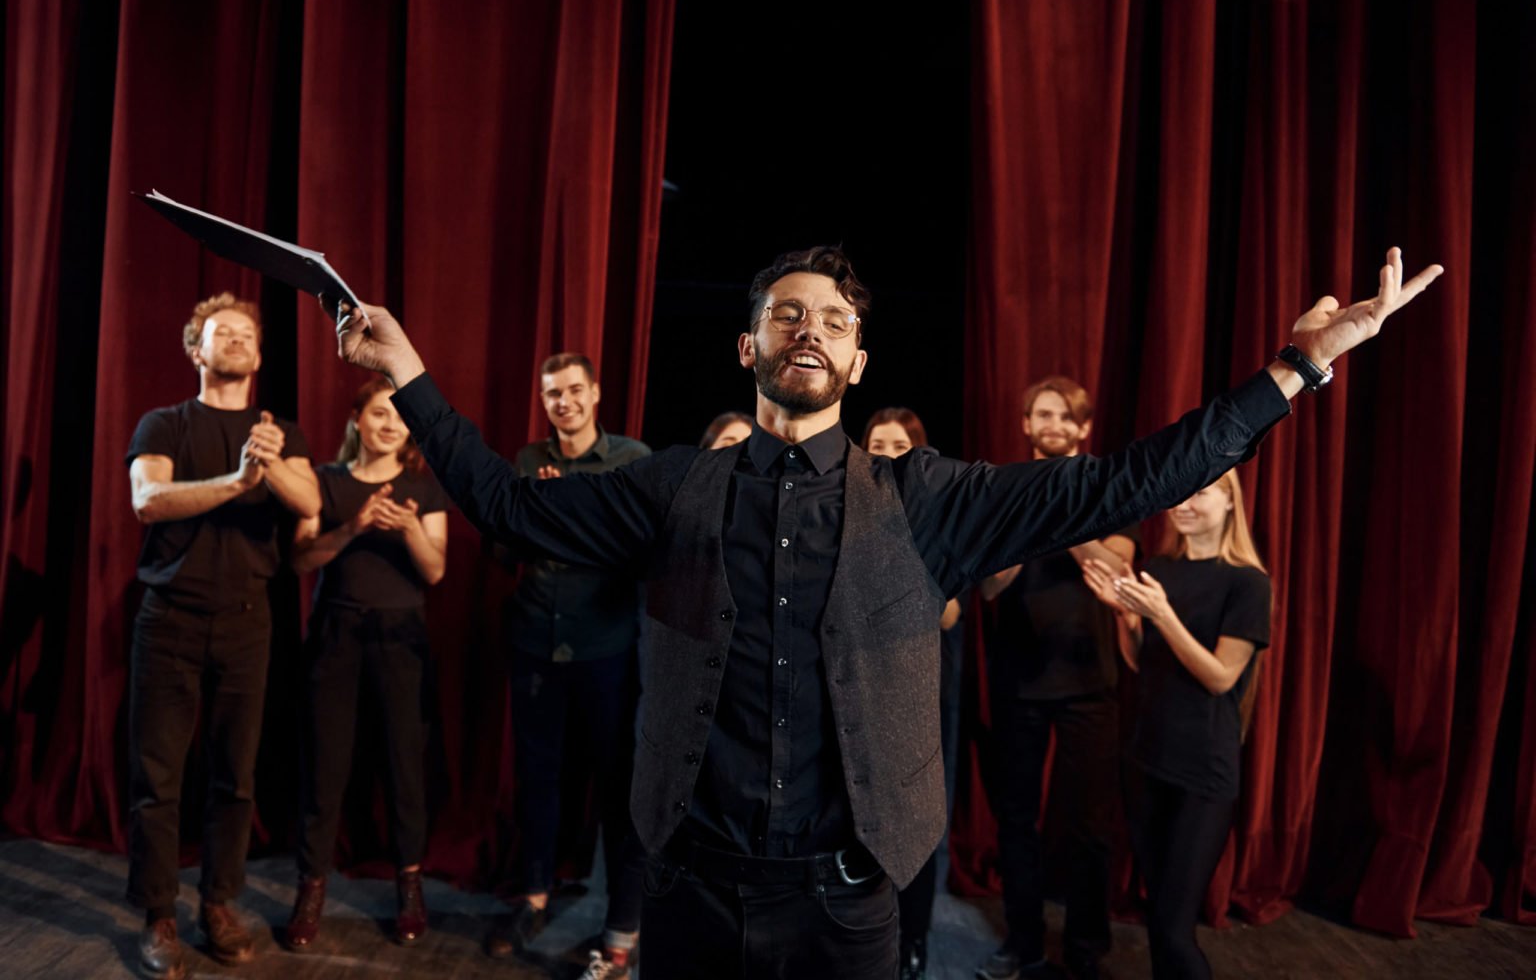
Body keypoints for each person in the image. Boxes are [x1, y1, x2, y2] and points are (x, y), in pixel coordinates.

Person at [333, 244, 1439, 978]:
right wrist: (413, 375)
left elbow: (1128, 480)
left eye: (831, 320)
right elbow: (500, 505)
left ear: (858, 358)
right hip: (691, 892)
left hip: (849, 905)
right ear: (748, 347)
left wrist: (1298, 368)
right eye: (785, 315)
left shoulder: (933, 501)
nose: (808, 329)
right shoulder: (672, 486)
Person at [126, 293, 320, 979]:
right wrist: (240, 481)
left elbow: (312, 504)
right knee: (159, 780)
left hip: (247, 623)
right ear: (195, 349)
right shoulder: (164, 424)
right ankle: (157, 915)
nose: (236, 340)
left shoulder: (280, 433)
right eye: (221, 333)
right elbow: (149, 500)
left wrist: (271, 466)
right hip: (169, 620)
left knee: (235, 778)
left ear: (260, 356)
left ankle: (217, 904)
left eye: (246, 334)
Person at [484, 352, 652, 980]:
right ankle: (532, 896)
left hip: (604, 648)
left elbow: (637, 549)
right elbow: (505, 550)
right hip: (535, 643)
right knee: (538, 779)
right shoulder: (528, 461)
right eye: (553, 394)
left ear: (596, 393)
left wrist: (563, 508)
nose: (565, 402)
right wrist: (537, 511)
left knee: (615, 788)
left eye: (574, 390)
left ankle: (621, 922)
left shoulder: (632, 460)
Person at [975, 377, 1137, 980]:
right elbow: (989, 586)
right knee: (1016, 822)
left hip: (1090, 684)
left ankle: (1085, 950)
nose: (1052, 423)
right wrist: (1027, 513)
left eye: (1064, 415)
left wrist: (1061, 511)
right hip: (1017, 683)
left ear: (1083, 427)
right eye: (1041, 413)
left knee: (1091, 826)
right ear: (1025, 424)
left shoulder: (1106, 488)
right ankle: (1022, 943)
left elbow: (1116, 565)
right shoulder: (1002, 490)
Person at [282, 376, 449, 952]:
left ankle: (409, 885)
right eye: (379, 412)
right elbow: (301, 558)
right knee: (324, 767)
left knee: (405, 765)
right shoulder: (323, 483)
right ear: (358, 419)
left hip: (401, 640)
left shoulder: (421, 489)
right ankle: (311, 886)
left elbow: (434, 571)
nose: (389, 423)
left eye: (399, 416)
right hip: (336, 635)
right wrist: (353, 527)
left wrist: (405, 530)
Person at [1082, 469, 1269, 980]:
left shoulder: (1248, 583)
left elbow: (1219, 678)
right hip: (1146, 761)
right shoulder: (1161, 568)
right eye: (1180, 494)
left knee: (1172, 927)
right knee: (1157, 919)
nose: (1184, 503)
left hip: (1201, 774)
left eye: (1201, 492)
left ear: (1231, 502)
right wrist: (1127, 618)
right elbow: (1144, 662)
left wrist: (1162, 616)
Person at [862, 407, 964, 980]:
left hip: (917, 692)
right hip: (855, 684)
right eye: (879, 443)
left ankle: (914, 942)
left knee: (916, 820)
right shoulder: (842, 503)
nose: (889, 453)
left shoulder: (939, 514)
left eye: (901, 445)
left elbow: (949, 615)